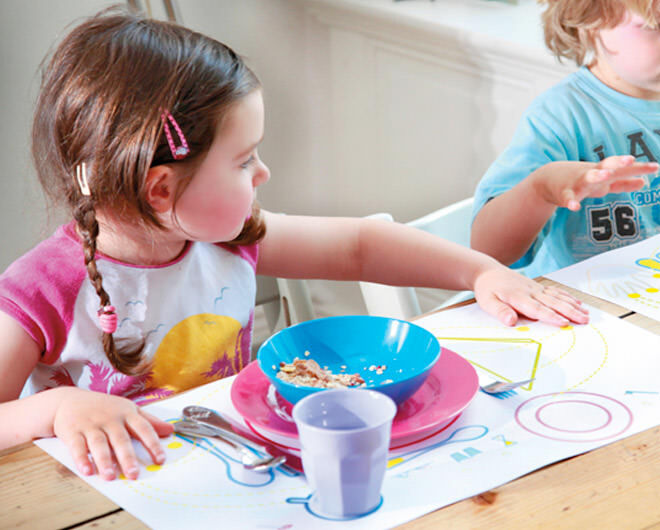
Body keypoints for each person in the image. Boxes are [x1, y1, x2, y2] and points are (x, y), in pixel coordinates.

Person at [0, 8, 588, 482]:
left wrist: (481, 273)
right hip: (112, 495)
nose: (263, 173)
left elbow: (360, 245)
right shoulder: (41, 289)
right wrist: (56, 410)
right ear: (160, 189)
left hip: (236, 469)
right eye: (244, 159)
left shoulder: (228, 241)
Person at [471, 0, 660, 279]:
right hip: (585, 307)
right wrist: (540, 191)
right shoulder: (560, 118)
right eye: (654, 25)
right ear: (588, 18)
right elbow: (488, 252)